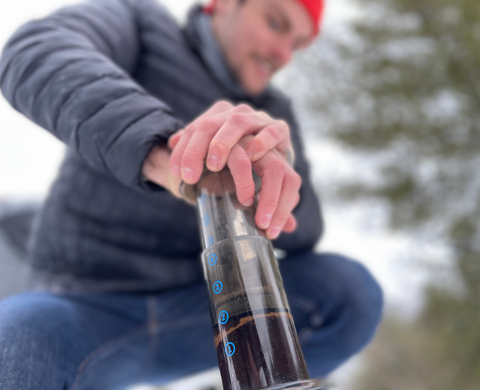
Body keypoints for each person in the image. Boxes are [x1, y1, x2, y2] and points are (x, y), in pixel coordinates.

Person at [0, 0, 384, 389]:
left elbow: (306, 228)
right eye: (275, 22)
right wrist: (172, 159)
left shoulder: (273, 110)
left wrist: (266, 175)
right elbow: (36, 52)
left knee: (350, 293)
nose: (283, 54)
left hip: (200, 313)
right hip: (81, 303)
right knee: (15, 345)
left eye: (298, 44)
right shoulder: (141, 25)